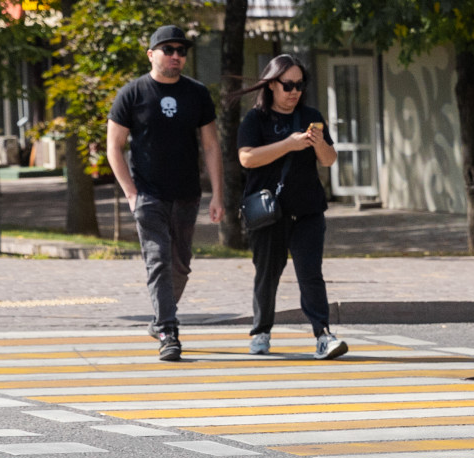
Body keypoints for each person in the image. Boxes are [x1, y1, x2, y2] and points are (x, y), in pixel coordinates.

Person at [107, 25, 224, 362]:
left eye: (181, 51)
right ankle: (169, 332)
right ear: (151, 54)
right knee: (158, 259)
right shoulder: (132, 93)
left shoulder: (197, 94)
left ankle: (159, 317)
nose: (176, 56)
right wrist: (130, 193)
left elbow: (211, 145)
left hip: (187, 194)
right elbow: (114, 147)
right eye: (168, 49)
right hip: (148, 194)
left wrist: (217, 194)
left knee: (181, 265)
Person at [231, 55, 347, 360]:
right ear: (271, 85)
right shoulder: (255, 120)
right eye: (288, 85)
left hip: (307, 209)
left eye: (299, 85)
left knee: (310, 273)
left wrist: (318, 142)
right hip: (268, 213)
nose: (294, 91)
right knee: (268, 273)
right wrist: (289, 144)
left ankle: (323, 335)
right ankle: (261, 331)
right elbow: (247, 159)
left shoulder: (310, 116)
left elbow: (329, 159)